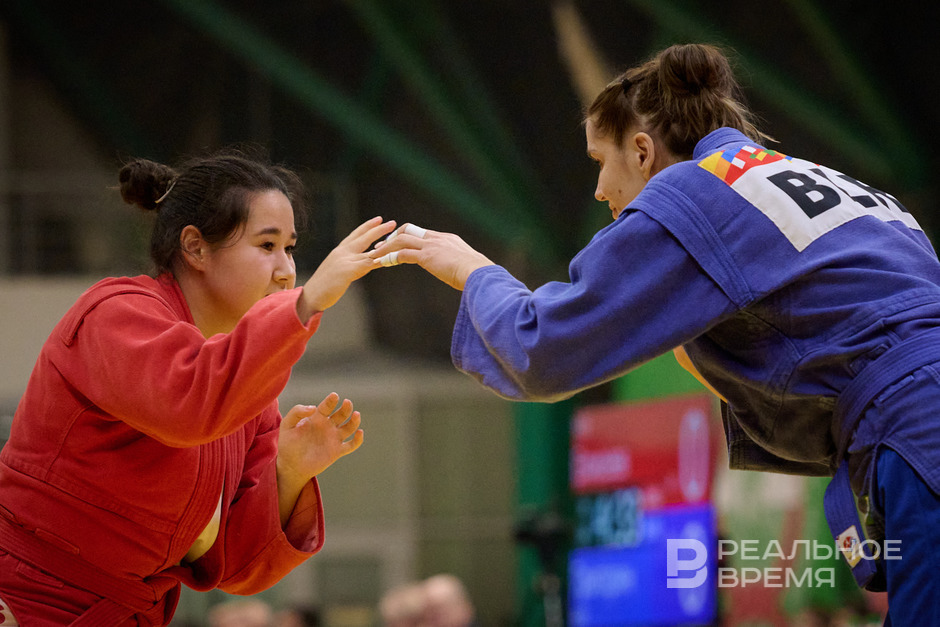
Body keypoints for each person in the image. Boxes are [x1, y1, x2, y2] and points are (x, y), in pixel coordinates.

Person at [371, 43, 940, 623]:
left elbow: (540, 349)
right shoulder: (836, 187)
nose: (599, 189)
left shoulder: (695, 190)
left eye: (600, 160)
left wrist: (472, 271)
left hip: (916, 426)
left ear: (642, 152)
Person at [0, 150, 397, 624]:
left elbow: (237, 568)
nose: (287, 270)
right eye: (267, 245)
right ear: (195, 248)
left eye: (290, 249)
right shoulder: (116, 314)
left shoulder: (247, 390)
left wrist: (289, 471)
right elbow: (190, 405)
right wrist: (308, 301)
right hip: (27, 591)